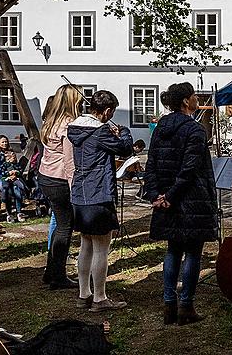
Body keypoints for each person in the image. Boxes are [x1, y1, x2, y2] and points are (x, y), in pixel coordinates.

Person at [143, 82, 217, 326]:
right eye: (194, 96)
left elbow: (150, 164)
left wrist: (156, 195)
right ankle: (185, 306)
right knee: (193, 252)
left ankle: (168, 305)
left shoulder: (160, 127)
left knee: (173, 250)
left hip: (168, 199)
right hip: (189, 199)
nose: (197, 99)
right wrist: (169, 196)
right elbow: (189, 169)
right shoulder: (195, 130)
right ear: (186, 101)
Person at [69, 90, 133, 312]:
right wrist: (124, 132)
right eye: (112, 112)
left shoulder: (75, 128)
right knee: (101, 249)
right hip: (98, 193)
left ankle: (83, 294)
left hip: (79, 192)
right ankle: (99, 298)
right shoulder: (100, 131)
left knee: (85, 244)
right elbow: (125, 148)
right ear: (107, 111)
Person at [38, 84, 82, 289]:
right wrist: (76, 189)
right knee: (65, 228)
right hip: (59, 179)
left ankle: (51, 271)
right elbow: (69, 161)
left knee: (59, 227)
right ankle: (58, 276)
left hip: (46, 176)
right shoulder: (68, 124)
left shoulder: (51, 120)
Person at [0, 148, 27, 222]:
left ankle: (19, 212)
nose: (14, 159)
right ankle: (9, 213)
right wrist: (8, 174)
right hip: (7, 181)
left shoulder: (16, 165)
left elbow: (20, 171)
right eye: (12, 157)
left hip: (15, 180)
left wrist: (16, 173)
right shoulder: (4, 165)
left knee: (18, 193)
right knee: (8, 194)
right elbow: (1, 173)